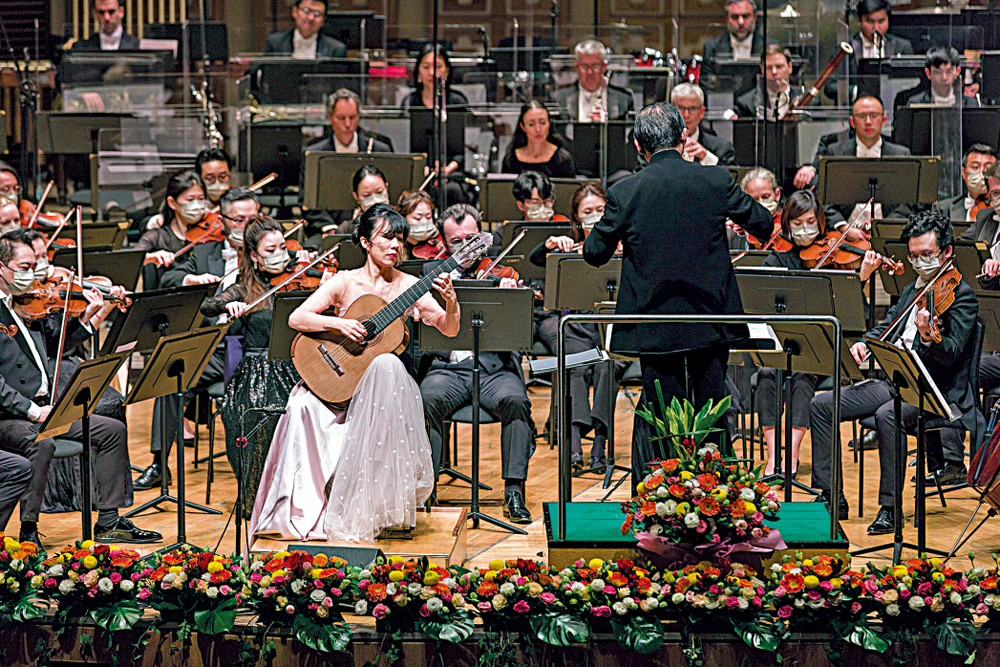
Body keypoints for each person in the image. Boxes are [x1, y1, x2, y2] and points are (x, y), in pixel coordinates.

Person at [583, 102, 771, 485]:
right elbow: (764, 224)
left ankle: (661, 501)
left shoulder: (625, 192)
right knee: (712, 410)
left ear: (638, 144)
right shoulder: (715, 181)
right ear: (684, 137)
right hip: (711, 320)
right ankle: (718, 498)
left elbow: (593, 253)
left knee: (663, 415)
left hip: (656, 324)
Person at [251, 203, 460, 542]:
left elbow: (449, 329)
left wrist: (451, 302)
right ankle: (305, 509)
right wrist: (340, 323)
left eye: (400, 240)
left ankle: (377, 511)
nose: (395, 246)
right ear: (365, 242)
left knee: (386, 363)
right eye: (387, 238)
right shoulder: (344, 282)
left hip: (381, 393)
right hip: (338, 380)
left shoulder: (410, 285)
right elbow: (297, 319)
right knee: (302, 405)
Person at [809, 211, 981, 532]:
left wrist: (931, 338)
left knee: (889, 415)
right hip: (896, 382)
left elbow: (953, 353)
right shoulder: (912, 290)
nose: (919, 263)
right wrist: (865, 343)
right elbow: (886, 328)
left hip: (934, 391)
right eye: (914, 256)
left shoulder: (962, 297)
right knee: (821, 405)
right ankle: (832, 496)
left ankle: (890, 509)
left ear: (947, 253)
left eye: (927, 255)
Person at [0, 231, 162, 550]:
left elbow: (57, 345)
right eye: (24, 266)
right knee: (42, 445)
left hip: (44, 410)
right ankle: (28, 529)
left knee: (110, 429)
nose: (32, 274)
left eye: (35, 265)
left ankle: (109, 521)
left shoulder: (27, 304)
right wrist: (34, 411)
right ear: (1, 268)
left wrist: (87, 319)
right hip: (10, 416)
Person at [133, 188, 261, 491]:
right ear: (223, 219)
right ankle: (159, 463)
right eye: (239, 220)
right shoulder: (204, 252)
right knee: (169, 376)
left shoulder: (268, 252)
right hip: (213, 348)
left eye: (252, 219)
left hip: (256, 348)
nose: (246, 226)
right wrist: (190, 280)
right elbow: (169, 279)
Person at [418, 204, 534, 523]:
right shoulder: (430, 275)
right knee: (426, 400)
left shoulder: (501, 273)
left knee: (516, 401)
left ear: (483, 239)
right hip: (448, 369)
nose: (466, 248)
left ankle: (513, 491)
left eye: (472, 239)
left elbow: (528, 330)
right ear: (443, 243)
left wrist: (513, 300)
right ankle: (428, 490)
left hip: (494, 369)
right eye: (457, 242)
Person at [754, 192, 880, 476]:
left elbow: (853, 314)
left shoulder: (835, 257)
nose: (805, 228)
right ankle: (775, 455)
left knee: (802, 373)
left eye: (811, 221)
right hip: (782, 343)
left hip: (821, 348)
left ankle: (793, 455)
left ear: (821, 221)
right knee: (766, 372)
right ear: (787, 224)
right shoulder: (776, 259)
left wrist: (859, 279)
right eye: (797, 222)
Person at [199, 216, 304, 515]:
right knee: (244, 412)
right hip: (256, 369)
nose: (281, 255)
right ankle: (257, 492)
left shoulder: (298, 279)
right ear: (255, 256)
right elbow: (207, 305)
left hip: (297, 366)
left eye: (283, 246)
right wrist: (226, 306)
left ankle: (296, 495)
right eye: (271, 250)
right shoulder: (243, 288)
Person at [528, 184, 622, 470]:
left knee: (608, 366)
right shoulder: (571, 249)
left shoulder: (622, 245)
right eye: (588, 212)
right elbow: (534, 259)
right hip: (576, 326)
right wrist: (550, 244)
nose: (595, 217)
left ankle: (599, 446)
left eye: (601, 211)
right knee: (574, 366)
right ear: (577, 220)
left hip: (609, 327)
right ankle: (573, 444)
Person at [792, 96, 911, 233]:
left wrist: (883, 226)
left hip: (887, 232)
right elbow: (823, 199)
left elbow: (908, 203)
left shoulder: (901, 154)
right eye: (861, 116)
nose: (868, 122)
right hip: (845, 232)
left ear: (884, 120)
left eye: (874, 116)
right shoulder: (835, 152)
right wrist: (842, 226)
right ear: (852, 122)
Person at [824, 0, 914, 100]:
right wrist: (857, 92)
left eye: (881, 21)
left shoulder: (902, 47)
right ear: (859, 20)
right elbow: (829, 87)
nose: (876, 28)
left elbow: (910, 82)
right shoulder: (846, 48)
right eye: (870, 22)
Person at [132, 170, 209, 277]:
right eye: (190, 200)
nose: (196, 205)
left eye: (201, 199)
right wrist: (150, 257)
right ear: (172, 203)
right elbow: (131, 261)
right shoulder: (157, 237)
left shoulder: (210, 235)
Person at [700, 0, 777, 94]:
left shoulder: (769, 46)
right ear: (727, 19)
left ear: (755, 17)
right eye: (735, 17)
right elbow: (706, 87)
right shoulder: (712, 48)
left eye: (746, 16)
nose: (741, 22)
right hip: (723, 104)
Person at [553, 39, 634, 123]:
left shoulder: (624, 99)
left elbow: (629, 133)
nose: (590, 72)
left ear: (604, 67)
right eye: (584, 66)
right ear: (576, 67)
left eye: (595, 66)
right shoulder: (560, 99)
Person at [501, 101, 577, 179]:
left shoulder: (563, 159)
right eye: (531, 124)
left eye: (542, 123)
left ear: (549, 123)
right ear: (523, 126)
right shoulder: (511, 160)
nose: (538, 129)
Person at [306, 88, 394, 154]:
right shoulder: (314, 153)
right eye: (341, 118)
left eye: (352, 117)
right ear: (330, 118)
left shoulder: (379, 151)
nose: (348, 124)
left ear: (358, 116)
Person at [733, 45, 810, 119]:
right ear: (762, 70)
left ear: (790, 67)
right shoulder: (746, 103)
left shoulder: (808, 99)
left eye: (779, 67)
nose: (774, 72)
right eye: (769, 68)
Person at [670, 83, 735, 166]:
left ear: (702, 112)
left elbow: (732, 177)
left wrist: (707, 158)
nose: (686, 115)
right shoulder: (658, 146)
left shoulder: (722, 148)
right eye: (681, 108)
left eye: (692, 108)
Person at [895, 46, 978, 109]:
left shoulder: (970, 104)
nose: (944, 78)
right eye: (938, 72)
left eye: (949, 71)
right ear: (928, 73)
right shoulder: (915, 103)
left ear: (957, 71)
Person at [261, 0, 346, 59]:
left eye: (317, 14)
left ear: (323, 19)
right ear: (295, 12)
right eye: (306, 11)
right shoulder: (275, 43)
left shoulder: (336, 49)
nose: (311, 17)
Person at [936, 144, 996, 223]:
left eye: (988, 168)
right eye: (975, 167)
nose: (982, 173)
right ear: (963, 172)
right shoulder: (943, 209)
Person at [71, 0, 139, 51]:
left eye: (111, 11)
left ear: (121, 12)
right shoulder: (80, 48)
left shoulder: (138, 46)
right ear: (95, 14)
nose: (106, 17)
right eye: (101, 12)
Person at [396, 190, 444, 259]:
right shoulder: (396, 243)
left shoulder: (441, 239)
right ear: (403, 218)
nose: (424, 222)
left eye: (428, 217)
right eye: (417, 218)